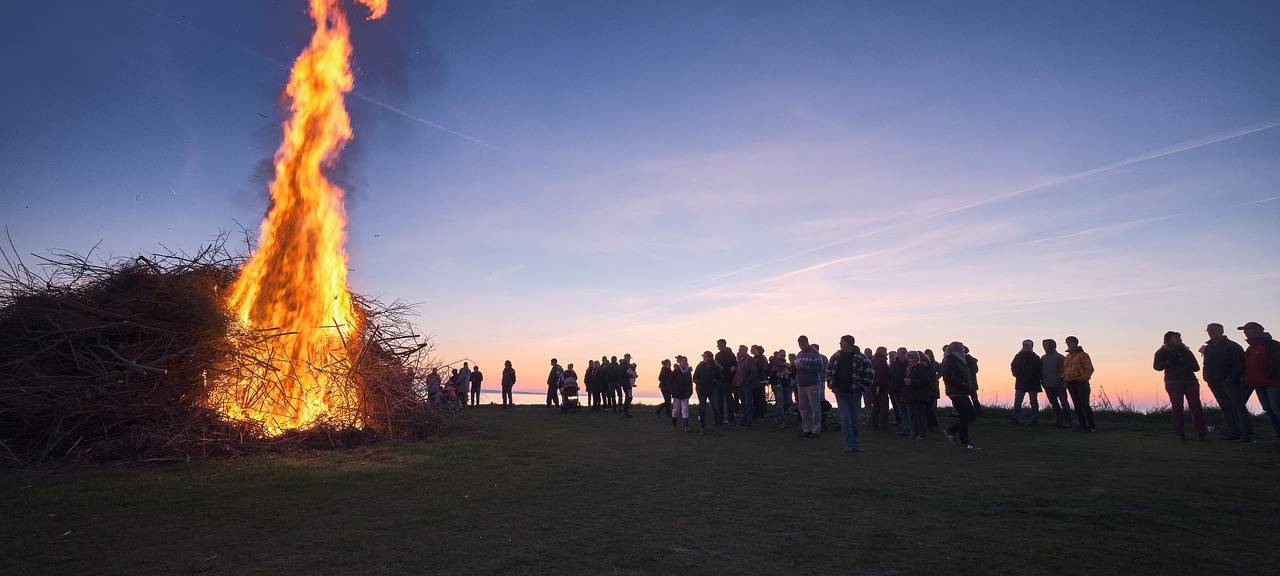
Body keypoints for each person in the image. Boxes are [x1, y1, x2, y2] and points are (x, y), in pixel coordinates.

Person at [1202, 323, 1251, 442]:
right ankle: (1233, 432)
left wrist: (1230, 378)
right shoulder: (1209, 347)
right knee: (1225, 407)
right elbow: (1206, 364)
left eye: (1213, 330)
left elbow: (1240, 364)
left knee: (1238, 407)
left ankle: (1247, 435)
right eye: (1209, 330)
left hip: (1231, 382)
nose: (1211, 332)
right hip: (1214, 382)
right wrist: (1207, 377)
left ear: (1221, 331)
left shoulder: (1232, 346)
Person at [1154, 331, 1205, 441]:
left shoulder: (1187, 351)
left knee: (1196, 407)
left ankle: (1201, 433)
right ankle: (1180, 433)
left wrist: (1185, 365)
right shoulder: (1162, 352)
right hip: (1173, 382)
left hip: (1190, 381)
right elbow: (1157, 367)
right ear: (1168, 339)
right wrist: (1169, 362)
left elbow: (1196, 368)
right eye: (1177, 338)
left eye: (1180, 338)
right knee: (1178, 408)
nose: (1180, 339)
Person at [829, 335, 874, 453]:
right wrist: (831, 385)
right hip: (840, 393)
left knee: (854, 419)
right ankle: (848, 444)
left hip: (855, 393)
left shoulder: (862, 358)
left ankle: (855, 444)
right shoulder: (836, 356)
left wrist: (862, 387)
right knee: (846, 418)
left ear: (848, 343)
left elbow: (870, 374)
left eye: (842, 342)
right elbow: (828, 370)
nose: (840, 344)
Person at [1240, 322, 1280, 444]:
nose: (1245, 332)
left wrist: (1270, 374)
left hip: (1273, 383)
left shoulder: (1272, 344)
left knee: (1276, 408)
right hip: (1258, 383)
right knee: (1268, 409)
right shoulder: (1250, 348)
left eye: (1248, 329)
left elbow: (1277, 362)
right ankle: (1278, 435)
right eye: (1244, 330)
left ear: (1258, 330)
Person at [942, 342, 979, 449]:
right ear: (957, 349)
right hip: (957, 391)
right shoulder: (951, 360)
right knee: (965, 416)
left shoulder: (960, 359)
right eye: (962, 348)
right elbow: (949, 375)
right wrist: (962, 384)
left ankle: (951, 431)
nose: (963, 350)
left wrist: (969, 388)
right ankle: (965, 441)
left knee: (971, 416)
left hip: (963, 391)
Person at [793, 335, 828, 438]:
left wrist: (803, 367)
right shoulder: (799, 354)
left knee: (815, 407)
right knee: (803, 408)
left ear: (806, 342)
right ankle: (806, 429)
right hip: (801, 384)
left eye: (802, 344)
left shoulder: (815, 354)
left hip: (812, 384)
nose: (801, 346)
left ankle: (815, 430)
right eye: (799, 344)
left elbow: (819, 368)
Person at [1062, 336, 1096, 432]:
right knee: (1077, 405)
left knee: (1085, 404)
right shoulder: (1068, 357)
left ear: (1076, 343)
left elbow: (1089, 369)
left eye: (1070, 342)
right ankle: (1082, 425)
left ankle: (1092, 426)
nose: (1068, 344)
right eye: (1067, 342)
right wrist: (1064, 376)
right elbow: (1066, 369)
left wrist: (1082, 378)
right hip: (1070, 382)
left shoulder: (1083, 355)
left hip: (1081, 383)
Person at [1039, 339, 1073, 428]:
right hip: (1047, 385)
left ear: (1052, 345)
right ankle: (1059, 420)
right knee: (1054, 403)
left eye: (1046, 345)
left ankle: (1068, 421)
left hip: (1059, 385)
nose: (1044, 347)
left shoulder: (1060, 357)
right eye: (1043, 345)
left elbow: (1064, 371)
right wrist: (1043, 381)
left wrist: (1059, 379)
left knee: (1064, 403)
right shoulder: (1043, 358)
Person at [1010, 340, 1043, 425]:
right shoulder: (1018, 356)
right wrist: (1016, 374)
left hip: (1033, 382)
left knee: (1033, 401)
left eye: (1027, 345)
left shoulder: (1035, 357)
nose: (1025, 346)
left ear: (1031, 347)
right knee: (1018, 401)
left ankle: (1035, 419)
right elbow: (1013, 366)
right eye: (1024, 345)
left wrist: (1032, 377)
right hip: (1021, 382)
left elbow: (1039, 369)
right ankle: (1015, 418)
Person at [904, 351, 933, 439]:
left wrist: (911, 382)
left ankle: (922, 434)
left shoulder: (921, 367)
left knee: (920, 415)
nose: (908, 360)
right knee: (913, 415)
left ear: (914, 358)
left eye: (909, 358)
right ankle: (914, 432)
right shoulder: (910, 368)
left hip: (919, 395)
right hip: (911, 394)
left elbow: (925, 381)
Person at [694, 351, 722, 434]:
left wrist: (715, 383)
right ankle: (702, 428)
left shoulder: (716, 367)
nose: (703, 357)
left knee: (716, 409)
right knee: (702, 409)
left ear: (710, 357)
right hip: (701, 391)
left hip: (712, 390)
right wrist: (700, 383)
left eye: (705, 356)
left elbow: (720, 378)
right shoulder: (700, 366)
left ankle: (717, 427)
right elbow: (695, 377)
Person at [715, 339, 738, 425]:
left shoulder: (730, 355)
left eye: (718, 344)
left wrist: (724, 368)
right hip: (719, 380)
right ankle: (721, 418)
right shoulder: (717, 355)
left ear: (723, 344)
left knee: (728, 399)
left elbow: (734, 367)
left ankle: (730, 418)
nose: (717, 346)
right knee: (720, 399)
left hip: (728, 380)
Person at [889, 347, 910, 435]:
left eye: (905, 353)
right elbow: (890, 376)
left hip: (907, 390)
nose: (904, 355)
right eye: (902, 353)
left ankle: (910, 428)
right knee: (902, 410)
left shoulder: (909, 363)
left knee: (909, 410)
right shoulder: (894, 364)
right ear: (898, 354)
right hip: (896, 390)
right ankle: (906, 428)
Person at [669, 355, 694, 432]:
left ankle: (686, 427)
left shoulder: (688, 371)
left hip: (685, 394)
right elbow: (671, 381)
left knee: (685, 410)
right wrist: (673, 391)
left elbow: (690, 382)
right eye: (683, 361)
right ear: (680, 362)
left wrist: (690, 392)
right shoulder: (676, 370)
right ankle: (673, 425)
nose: (684, 362)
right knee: (675, 410)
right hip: (676, 394)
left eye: (685, 361)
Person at [734, 345, 757, 427]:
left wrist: (747, 380)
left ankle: (749, 422)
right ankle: (744, 420)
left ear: (745, 351)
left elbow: (754, 372)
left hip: (746, 385)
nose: (739, 351)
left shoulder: (750, 360)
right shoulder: (740, 360)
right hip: (740, 384)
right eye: (739, 349)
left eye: (741, 350)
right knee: (743, 404)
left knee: (748, 403)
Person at [870, 347, 891, 432]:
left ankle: (875, 425)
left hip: (874, 386)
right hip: (881, 387)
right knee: (884, 408)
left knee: (875, 407)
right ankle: (883, 426)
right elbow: (882, 374)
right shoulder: (882, 361)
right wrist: (879, 385)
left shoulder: (873, 360)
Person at [771, 350, 793, 428]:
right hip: (777, 385)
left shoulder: (786, 365)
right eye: (781, 355)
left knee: (787, 402)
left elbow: (791, 373)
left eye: (784, 355)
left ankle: (778, 415)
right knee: (780, 403)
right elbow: (769, 372)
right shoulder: (774, 363)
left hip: (785, 385)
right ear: (777, 355)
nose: (783, 357)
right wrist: (776, 374)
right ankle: (781, 420)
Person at [963, 347, 982, 418]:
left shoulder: (970, 360)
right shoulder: (967, 359)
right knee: (967, 399)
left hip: (971, 382)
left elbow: (975, 370)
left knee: (974, 399)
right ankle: (971, 414)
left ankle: (977, 414)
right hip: (966, 382)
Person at [752, 346, 769, 421]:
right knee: (757, 397)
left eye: (755, 350)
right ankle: (758, 414)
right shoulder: (756, 358)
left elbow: (761, 369)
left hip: (759, 380)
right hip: (757, 380)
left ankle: (760, 414)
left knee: (759, 397)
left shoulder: (761, 359)